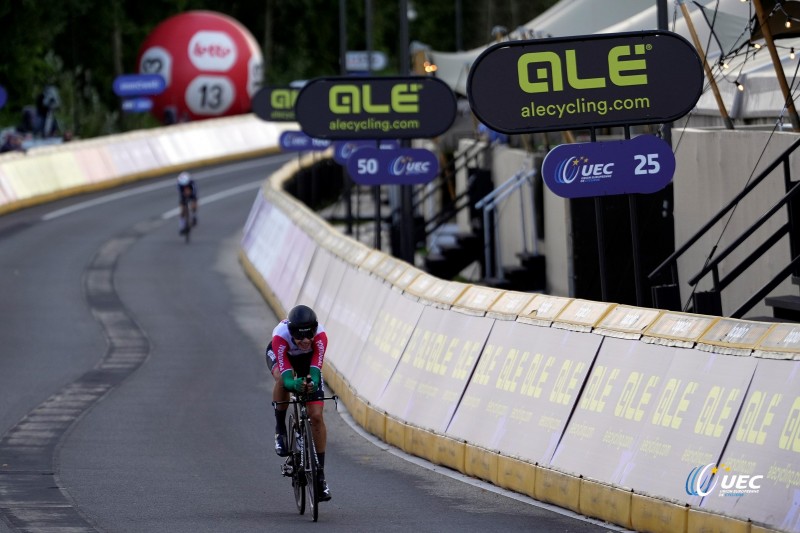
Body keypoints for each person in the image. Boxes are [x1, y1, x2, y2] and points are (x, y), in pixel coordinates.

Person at [265, 304, 332, 501]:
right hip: (284, 359)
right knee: (281, 380)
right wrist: (294, 383)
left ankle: (320, 476)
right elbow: (287, 379)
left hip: (307, 362)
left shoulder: (320, 336)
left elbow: (315, 371)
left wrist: (310, 384)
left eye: (308, 335)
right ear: (291, 332)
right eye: (299, 337)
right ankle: (280, 430)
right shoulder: (280, 336)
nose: (304, 341)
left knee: (317, 417)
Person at [176, 171, 198, 235]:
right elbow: (180, 193)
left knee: (194, 203)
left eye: (186, 185)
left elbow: (194, 193)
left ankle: (194, 216)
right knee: (182, 210)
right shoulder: (179, 185)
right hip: (183, 194)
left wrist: (192, 197)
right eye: (183, 185)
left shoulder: (192, 184)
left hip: (192, 193)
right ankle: (182, 226)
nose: (185, 186)